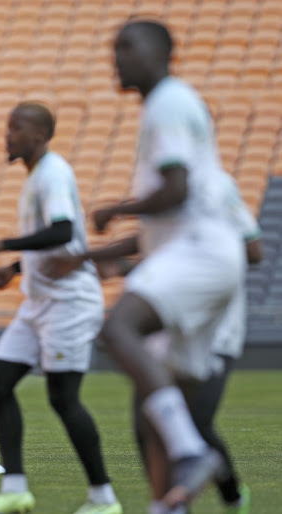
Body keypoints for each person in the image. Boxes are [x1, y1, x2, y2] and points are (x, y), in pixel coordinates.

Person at [46, 20, 245, 513]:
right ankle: (169, 503)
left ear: (161, 52)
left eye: (127, 47)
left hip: (200, 254)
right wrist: (88, 256)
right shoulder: (173, 106)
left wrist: (118, 209)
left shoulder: (168, 103)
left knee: (118, 330)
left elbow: (173, 191)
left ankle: (192, 452)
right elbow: (169, 212)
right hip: (203, 256)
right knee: (154, 408)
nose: (116, 57)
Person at [0, 102, 122, 514]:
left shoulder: (53, 172)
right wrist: (14, 269)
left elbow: (63, 230)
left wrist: (2, 244)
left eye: (15, 128)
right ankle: (15, 489)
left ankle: (103, 499)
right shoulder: (38, 176)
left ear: (39, 134)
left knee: (63, 398)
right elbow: (54, 242)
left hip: (69, 303)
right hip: (40, 303)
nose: (8, 135)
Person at [92, 172, 259, 514]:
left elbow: (253, 250)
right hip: (174, 322)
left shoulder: (214, 187)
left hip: (215, 323)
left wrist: (210, 263)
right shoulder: (167, 192)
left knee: (193, 422)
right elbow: (165, 247)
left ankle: (228, 497)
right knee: (149, 423)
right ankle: (172, 503)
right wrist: (119, 263)